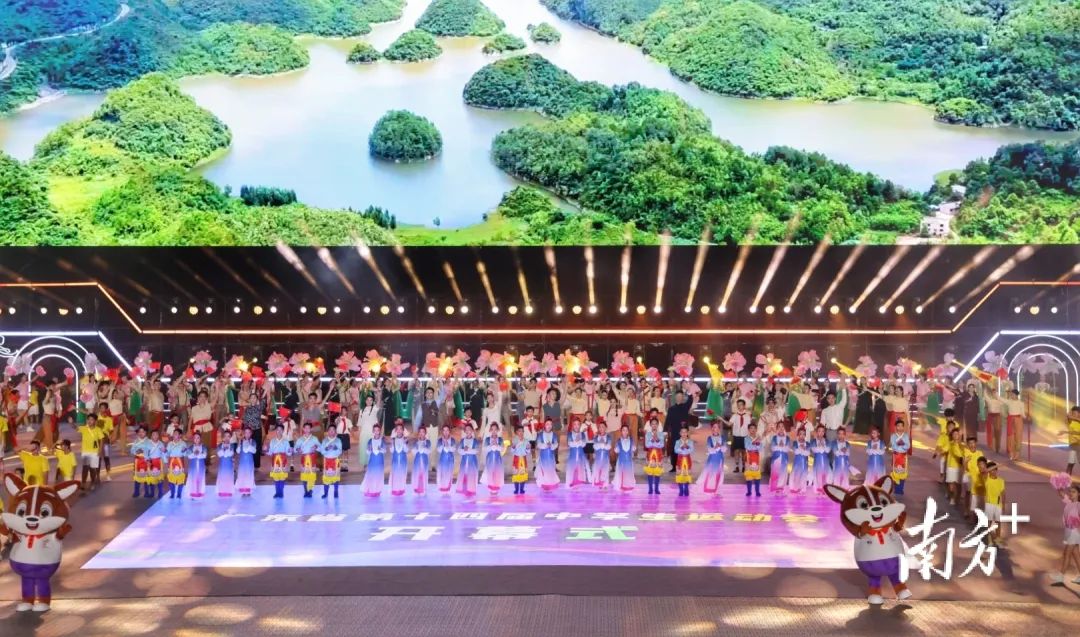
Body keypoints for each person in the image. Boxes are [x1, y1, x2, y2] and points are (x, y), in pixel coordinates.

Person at [1049, 483, 1080, 584]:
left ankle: (1061, 576)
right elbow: (1061, 493)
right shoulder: (1069, 502)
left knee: (1067, 554)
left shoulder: (1079, 505)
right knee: (1076, 555)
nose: (1071, 493)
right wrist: (1059, 483)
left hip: (1074, 532)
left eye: (1074, 492)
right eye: (1070, 491)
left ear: (1079, 494)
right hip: (1068, 531)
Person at [664, 390, 696, 471]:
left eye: (681, 396)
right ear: (675, 397)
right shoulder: (671, 409)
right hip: (674, 431)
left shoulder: (685, 406)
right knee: (673, 449)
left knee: (684, 448)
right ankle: (674, 466)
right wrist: (666, 430)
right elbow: (668, 420)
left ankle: (684, 465)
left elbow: (690, 400)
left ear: (682, 398)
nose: (679, 398)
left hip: (684, 432)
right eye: (678, 396)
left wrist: (688, 391)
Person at [78, 413, 104, 491]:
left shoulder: (98, 430)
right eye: (88, 419)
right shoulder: (84, 428)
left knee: (92, 469)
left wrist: (100, 450)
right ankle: (83, 483)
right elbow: (75, 428)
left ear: (95, 421)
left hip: (94, 452)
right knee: (85, 468)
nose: (89, 421)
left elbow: (101, 440)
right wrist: (71, 423)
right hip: (85, 451)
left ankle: (92, 482)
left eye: (91, 420)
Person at [266, 424, 292, 499]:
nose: (279, 431)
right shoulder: (272, 441)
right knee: (276, 477)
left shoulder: (286, 441)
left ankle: (281, 492)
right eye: (277, 430)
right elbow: (270, 452)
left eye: (281, 430)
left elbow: (288, 453)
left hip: (283, 460)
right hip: (275, 461)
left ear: (283, 431)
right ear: (276, 431)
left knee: (282, 477)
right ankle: (277, 492)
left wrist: (290, 451)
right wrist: (266, 450)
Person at [294, 423, 320, 498]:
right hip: (304, 458)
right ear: (303, 429)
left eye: (308, 428)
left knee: (312, 476)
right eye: (305, 428)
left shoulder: (314, 438)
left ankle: (310, 490)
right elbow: (295, 448)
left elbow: (320, 447)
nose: (307, 429)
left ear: (311, 429)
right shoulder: (300, 439)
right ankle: (306, 491)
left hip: (312, 458)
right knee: (304, 476)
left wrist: (316, 447)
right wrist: (298, 449)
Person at [726, 398, 751, 474]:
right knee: (736, 451)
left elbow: (749, 427)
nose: (739, 406)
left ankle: (743, 466)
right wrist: (721, 419)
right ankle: (736, 466)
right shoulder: (734, 415)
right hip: (736, 436)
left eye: (741, 405)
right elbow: (729, 424)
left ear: (744, 406)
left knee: (744, 452)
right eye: (738, 405)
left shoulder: (747, 416)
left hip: (745, 436)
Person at [961, 435, 984, 521]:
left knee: (976, 495)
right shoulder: (966, 452)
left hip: (977, 476)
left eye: (973, 443)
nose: (972, 445)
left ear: (976, 443)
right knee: (968, 493)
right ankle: (966, 510)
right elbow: (965, 468)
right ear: (967, 444)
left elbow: (983, 465)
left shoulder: (980, 453)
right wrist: (965, 462)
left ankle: (975, 514)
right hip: (968, 475)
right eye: (970, 443)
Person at [480, 423, 505, 495]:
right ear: (490, 430)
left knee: (497, 472)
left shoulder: (500, 439)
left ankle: (496, 488)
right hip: (490, 458)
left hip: (497, 459)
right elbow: (485, 449)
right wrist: (491, 445)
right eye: (492, 429)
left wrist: (497, 445)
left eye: (495, 429)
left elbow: (502, 449)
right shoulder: (487, 439)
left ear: (498, 430)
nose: (494, 431)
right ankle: (491, 488)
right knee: (490, 472)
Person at [361, 424, 386, 497]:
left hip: (379, 461)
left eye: (378, 430)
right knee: (371, 474)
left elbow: (384, 451)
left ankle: (377, 490)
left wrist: (380, 449)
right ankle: (370, 489)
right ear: (373, 431)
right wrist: (369, 449)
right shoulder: (370, 441)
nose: (376, 432)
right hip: (372, 460)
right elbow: (367, 452)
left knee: (378, 475)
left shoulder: (382, 440)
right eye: (375, 430)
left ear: (380, 431)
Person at [565, 420, 591, 488]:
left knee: (581, 467)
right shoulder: (570, 434)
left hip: (581, 454)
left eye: (578, 424)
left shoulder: (582, 434)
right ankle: (572, 481)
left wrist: (578, 442)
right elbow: (570, 444)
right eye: (575, 424)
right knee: (572, 468)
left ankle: (581, 481)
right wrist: (577, 441)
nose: (576, 426)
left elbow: (583, 444)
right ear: (572, 425)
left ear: (580, 425)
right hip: (572, 455)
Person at [535, 419, 559, 491]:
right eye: (547, 424)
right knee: (543, 469)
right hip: (543, 456)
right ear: (544, 425)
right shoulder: (540, 434)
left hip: (551, 455)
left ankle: (550, 483)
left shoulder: (554, 435)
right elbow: (538, 444)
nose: (549, 426)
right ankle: (544, 484)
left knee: (551, 469)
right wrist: (545, 445)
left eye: (550, 424)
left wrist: (551, 445)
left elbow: (556, 444)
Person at [320, 423, 343, 499]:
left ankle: (336, 492)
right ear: (327, 432)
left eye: (333, 430)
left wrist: (335, 448)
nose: (331, 431)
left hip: (335, 461)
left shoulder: (338, 440)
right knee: (326, 477)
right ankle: (325, 493)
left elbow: (340, 451)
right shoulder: (324, 440)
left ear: (335, 432)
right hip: (326, 461)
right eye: (330, 430)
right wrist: (326, 449)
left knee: (336, 477)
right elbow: (322, 451)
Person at [456, 424, 480, 496]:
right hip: (464, 461)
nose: (468, 431)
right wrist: (464, 450)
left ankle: (471, 490)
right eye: (466, 429)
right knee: (464, 475)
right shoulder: (462, 440)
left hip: (472, 461)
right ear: (464, 431)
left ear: (472, 430)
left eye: (469, 429)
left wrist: (467, 450)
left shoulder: (475, 441)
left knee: (471, 475)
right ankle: (464, 490)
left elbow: (476, 451)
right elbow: (459, 450)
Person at [889, 419, 911, 495]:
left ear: (904, 427)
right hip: (896, 456)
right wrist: (901, 445)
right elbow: (893, 446)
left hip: (903, 457)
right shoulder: (893, 436)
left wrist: (901, 445)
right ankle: (896, 489)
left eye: (902, 426)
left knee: (903, 472)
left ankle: (901, 489)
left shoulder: (906, 436)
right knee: (895, 473)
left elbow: (908, 446)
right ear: (896, 427)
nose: (900, 427)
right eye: (898, 426)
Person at [129, 427, 152, 497]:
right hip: (138, 461)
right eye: (140, 432)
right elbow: (131, 450)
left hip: (145, 460)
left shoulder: (149, 441)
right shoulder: (136, 441)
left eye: (143, 432)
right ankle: (136, 492)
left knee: (146, 476)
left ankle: (147, 492)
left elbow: (151, 450)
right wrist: (136, 451)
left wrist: (144, 452)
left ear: (146, 433)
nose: (141, 433)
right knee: (137, 476)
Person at [643, 418, 665, 494]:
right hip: (650, 454)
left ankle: (656, 488)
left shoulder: (661, 434)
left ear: (658, 425)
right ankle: (650, 489)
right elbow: (647, 445)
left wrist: (657, 440)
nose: (654, 425)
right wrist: (653, 440)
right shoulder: (648, 434)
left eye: (656, 424)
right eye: (653, 424)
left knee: (657, 472)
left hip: (658, 454)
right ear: (650, 425)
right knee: (650, 472)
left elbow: (662, 445)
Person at [1003, 389, 1025, 461]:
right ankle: (1011, 454)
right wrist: (995, 394)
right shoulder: (1009, 402)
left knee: (1018, 438)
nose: (1011, 395)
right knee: (1011, 437)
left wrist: (1026, 417)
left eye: (1012, 394)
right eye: (1011, 394)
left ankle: (1017, 455)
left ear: (1016, 395)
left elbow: (1022, 413)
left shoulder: (1021, 403)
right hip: (1011, 420)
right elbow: (1001, 399)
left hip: (1018, 420)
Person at [768, 424, 790, 494]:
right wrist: (780, 446)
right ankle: (775, 487)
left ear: (784, 428)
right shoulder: (774, 437)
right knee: (775, 472)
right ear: (777, 428)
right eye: (779, 427)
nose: (781, 428)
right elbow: (773, 448)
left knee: (783, 473)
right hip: (776, 457)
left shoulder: (787, 438)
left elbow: (787, 449)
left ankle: (781, 488)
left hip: (784, 458)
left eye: (782, 426)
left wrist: (781, 447)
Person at [945, 427, 965, 505]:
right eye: (954, 434)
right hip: (951, 466)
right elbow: (946, 449)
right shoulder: (950, 443)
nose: (956, 435)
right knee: (951, 484)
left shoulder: (963, 445)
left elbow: (965, 454)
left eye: (957, 434)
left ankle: (957, 498)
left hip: (959, 467)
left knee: (958, 484)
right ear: (952, 435)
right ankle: (952, 497)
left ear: (959, 435)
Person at [389, 422, 409, 496]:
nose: (399, 430)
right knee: (395, 474)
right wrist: (391, 444)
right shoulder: (393, 439)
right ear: (395, 430)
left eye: (401, 429)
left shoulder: (405, 439)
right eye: (397, 429)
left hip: (403, 459)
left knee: (402, 474)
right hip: (395, 459)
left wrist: (404, 443)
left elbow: (406, 450)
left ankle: (401, 489)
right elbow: (392, 451)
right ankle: (395, 489)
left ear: (403, 430)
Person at [184, 432, 207, 499]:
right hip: (193, 465)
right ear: (193, 439)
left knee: (200, 478)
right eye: (195, 438)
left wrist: (197, 454)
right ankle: (193, 491)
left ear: (200, 439)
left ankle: (200, 491)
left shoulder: (204, 447)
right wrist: (195, 454)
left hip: (201, 465)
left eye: (198, 438)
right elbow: (189, 456)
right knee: (193, 478)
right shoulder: (190, 447)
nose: (196, 439)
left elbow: (204, 455)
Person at [235, 427, 256, 497]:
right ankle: (243, 490)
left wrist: (248, 444)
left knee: (249, 475)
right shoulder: (241, 442)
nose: (247, 434)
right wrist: (239, 441)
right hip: (242, 463)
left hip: (249, 463)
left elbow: (254, 451)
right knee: (242, 475)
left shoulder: (253, 441)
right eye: (246, 432)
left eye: (249, 432)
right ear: (243, 433)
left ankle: (248, 490)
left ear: (251, 433)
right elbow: (238, 451)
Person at [789, 429, 810, 495]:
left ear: (805, 435)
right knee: (796, 475)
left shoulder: (807, 444)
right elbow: (796, 451)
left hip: (804, 463)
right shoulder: (795, 443)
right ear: (798, 435)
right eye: (800, 434)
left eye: (803, 434)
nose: (802, 436)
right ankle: (795, 488)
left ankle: (802, 490)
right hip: (797, 463)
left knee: (804, 476)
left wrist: (802, 449)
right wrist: (803, 450)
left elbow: (807, 453)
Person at [674, 427, 694, 497]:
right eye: (682, 432)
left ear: (687, 433)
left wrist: (687, 447)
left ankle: (686, 488)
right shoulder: (677, 442)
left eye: (685, 432)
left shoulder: (690, 442)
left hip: (687, 459)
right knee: (679, 474)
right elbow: (676, 450)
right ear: (680, 433)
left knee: (687, 474)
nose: (684, 434)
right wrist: (682, 447)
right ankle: (681, 489)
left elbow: (691, 450)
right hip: (680, 459)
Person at [412, 424, 432, 495]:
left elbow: (429, 451)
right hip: (417, 460)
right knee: (417, 474)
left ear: (425, 433)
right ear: (418, 433)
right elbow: (413, 451)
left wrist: (422, 448)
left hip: (424, 459)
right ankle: (417, 489)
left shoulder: (428, 442)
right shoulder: (416, 442)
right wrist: (418, 448)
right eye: (420, 432)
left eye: (423, 432)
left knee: (424, 474)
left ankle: (423, 489)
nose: (421, 433)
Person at [436, 424, 456, 493]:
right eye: (444, 430)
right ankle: (442, 487)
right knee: (442, 473)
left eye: (447, 430)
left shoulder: (452, 440)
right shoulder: (440, 440)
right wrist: (443, 444)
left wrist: (447, 444)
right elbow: (439, 450)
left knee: (449, 473)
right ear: (442, 431)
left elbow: (453, 449)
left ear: (449, 431)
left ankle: (448, 488)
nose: (446, 432)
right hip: (442, 459)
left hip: (450, 459)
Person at [744, 423, 762, 497]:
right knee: (749, 475)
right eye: (751, 428)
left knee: (757, 475)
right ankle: (749, 491)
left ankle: (757, 491)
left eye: (754, 428)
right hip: (749, 457)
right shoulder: (746, 438)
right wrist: (755, 443)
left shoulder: (759, 438)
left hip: (756, 457)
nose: (753, 430)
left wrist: (756, 445)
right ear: (748, 430)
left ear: (756, 430)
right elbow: (747, 447)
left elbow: (760, 447)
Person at [592, 421, 611, 489]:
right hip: (598, 457)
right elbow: (595, 446)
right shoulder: (596, 437)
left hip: (605, 457)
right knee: (598, 470)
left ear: (606, 428)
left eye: (603, 427)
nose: (601, 428)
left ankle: (605, 485)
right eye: (600, 427)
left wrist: (601, 444)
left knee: (605, 470)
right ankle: (599, 484)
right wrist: (603, 444)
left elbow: (608, 447)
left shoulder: (608, 437)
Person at [215, 431, 235, 497]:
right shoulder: (219, 446)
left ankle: (228, 490)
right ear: (223, 437)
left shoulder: (232, 446)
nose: (226, 438)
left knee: (228, 477)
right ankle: (221, 490)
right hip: (222, 465)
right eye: (225, 436)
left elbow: (230, 454)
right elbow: (220, 454)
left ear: (230, 437)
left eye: (228, 436)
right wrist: (225, 451)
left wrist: (224, 452)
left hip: (229, 464)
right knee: (222, 477)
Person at [147, 430, 166, 498]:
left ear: (158, 436)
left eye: (156, 434)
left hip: (158, 462)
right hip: (151, 462)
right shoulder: (148, 444)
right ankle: (152, 493)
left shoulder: (161, 443)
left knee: (159, 478)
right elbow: (145, 454)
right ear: (151, 436)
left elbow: (163, 454)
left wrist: (164, 461)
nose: (155, 436)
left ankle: (160, 492)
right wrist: (147, 461)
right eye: (153, 435)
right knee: (151, 478)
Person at [1062, 406, 1080, 476]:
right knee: (1071, 463)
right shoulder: (1071, 422)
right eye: (1073, 413)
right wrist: (1069, 414)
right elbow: (1066, 419)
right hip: (1073, 445)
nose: (1073, 415)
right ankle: (1066, 479)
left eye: (1075, 413)